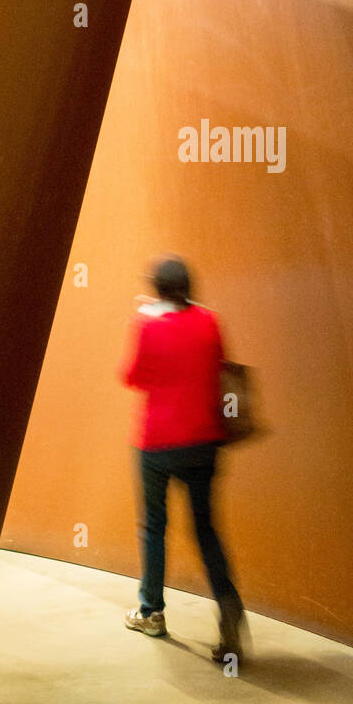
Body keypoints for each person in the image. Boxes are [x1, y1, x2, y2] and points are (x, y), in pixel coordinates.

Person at [119, 256, 246, 662]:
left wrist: (148, 320)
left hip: (157, 444)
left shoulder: (146, 323)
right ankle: (228, 607)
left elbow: (133, 376)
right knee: (206, 529)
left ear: (156, 288)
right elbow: (218, 367)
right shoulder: (210, 321)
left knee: (155, 527)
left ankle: (151, 612)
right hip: (203, 443)